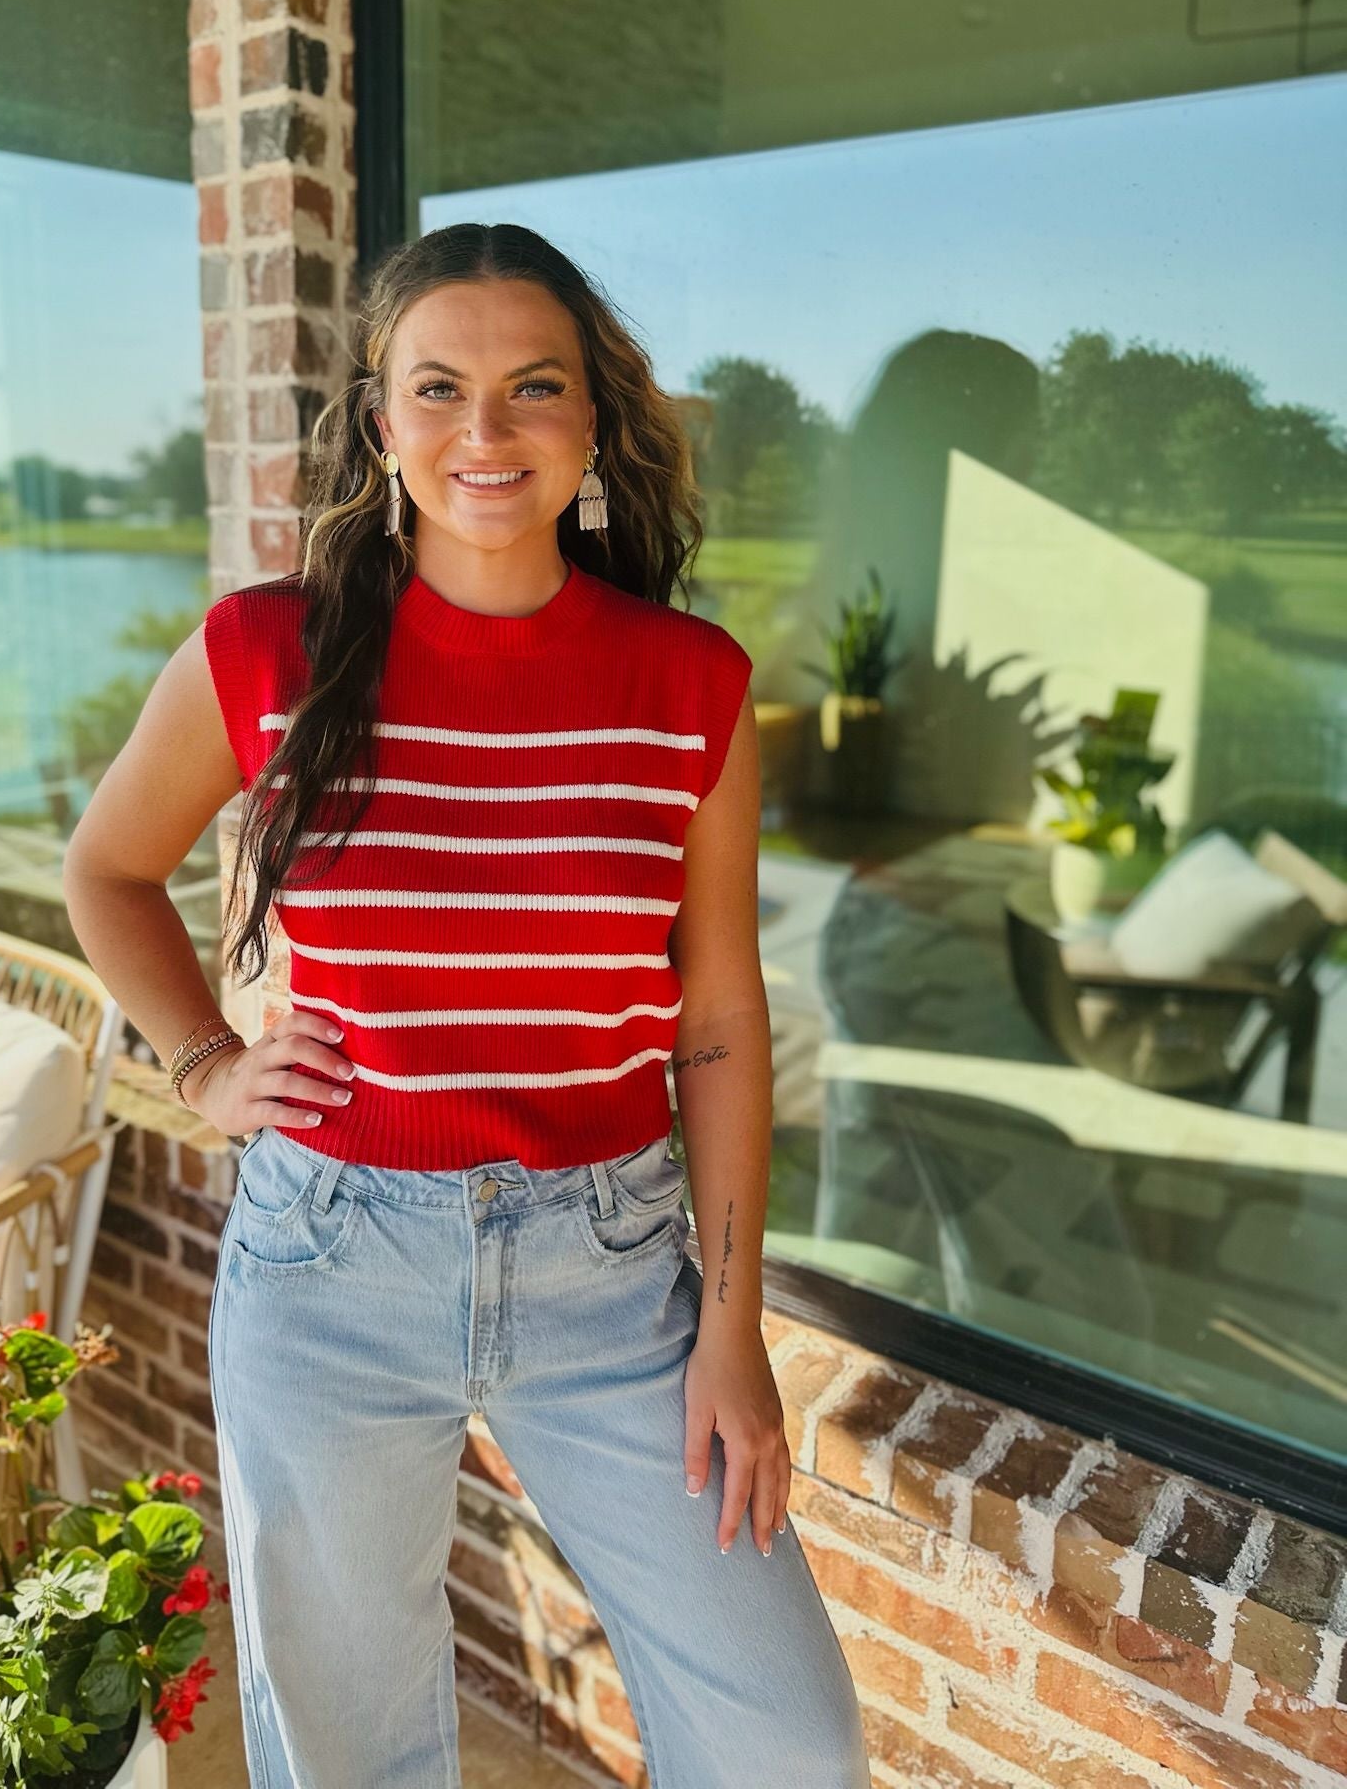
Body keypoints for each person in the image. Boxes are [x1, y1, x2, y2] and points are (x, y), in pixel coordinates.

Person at [62, 222, 871, 1789]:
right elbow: (107, 872)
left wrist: (731, 1320)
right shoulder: (264, 651)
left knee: (786, 1738)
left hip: (617, 1272)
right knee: (349, 1752)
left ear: (592, 426)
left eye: (532, 388)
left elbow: (715, 1019)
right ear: (382, 424)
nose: (483, 432)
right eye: (438, 388)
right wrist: (208, 1061)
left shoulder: (688, 682)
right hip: (330, 1265)